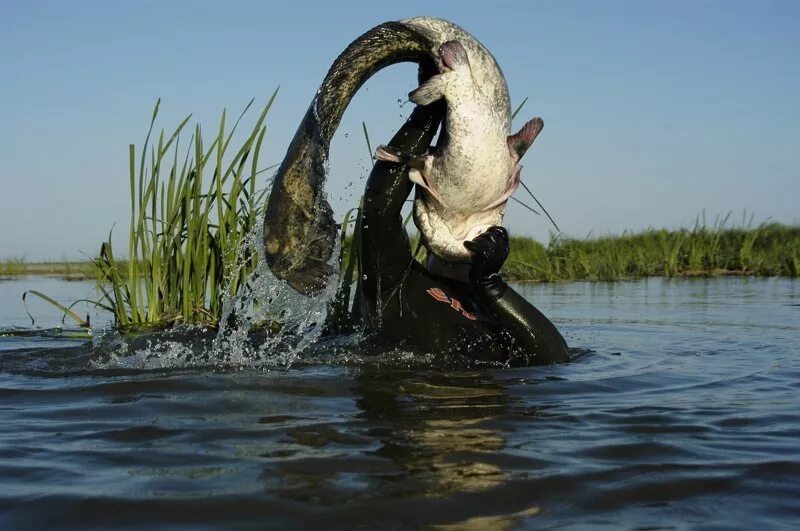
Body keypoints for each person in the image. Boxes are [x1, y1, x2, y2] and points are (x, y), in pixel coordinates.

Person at [357, 102, 569, 365]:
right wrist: (428, 112)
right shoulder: (396, 283)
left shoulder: (494, 306)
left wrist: (492, 285)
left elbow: (556, 360)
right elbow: (379, 211)